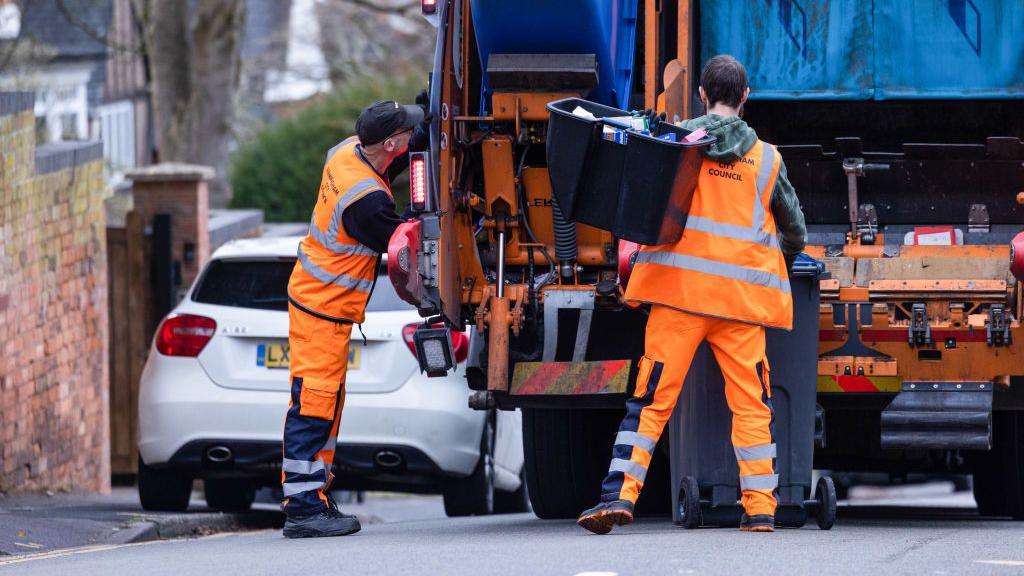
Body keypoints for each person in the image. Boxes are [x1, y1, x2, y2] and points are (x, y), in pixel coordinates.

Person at [577, 55, 807, 534]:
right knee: (751, 404)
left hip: (678, 297)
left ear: (702, 95)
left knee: (652, 401)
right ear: (745, 97)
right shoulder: (768, 159)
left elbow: (639, 208)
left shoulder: (678, 143)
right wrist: (769, 259)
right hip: (740, 304)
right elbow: (796, 233)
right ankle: (761, 508)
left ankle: (618, 497)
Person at [280, 99, 428, 538]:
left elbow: (384, 169)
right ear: (389, 142)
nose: (408, 137)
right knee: (314, 403)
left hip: (319, 302)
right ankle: (303, 506)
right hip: (323, 307)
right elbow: (402, 240)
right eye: (404, 134)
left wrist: (425, 126)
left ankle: (314, 496)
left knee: (325, 402)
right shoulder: (366, 206)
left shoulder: (346, 151)